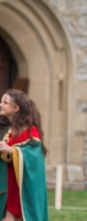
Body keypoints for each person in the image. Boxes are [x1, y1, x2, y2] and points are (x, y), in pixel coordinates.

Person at [0, 89, 48, 221]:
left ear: (16, 108)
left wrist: (12, 151)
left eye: (5, 102)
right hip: (6, 182)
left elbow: (35, 155)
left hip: (23, 184)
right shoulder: (6, 129)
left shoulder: (31, 131)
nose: (1, 104)